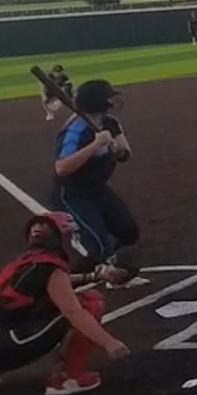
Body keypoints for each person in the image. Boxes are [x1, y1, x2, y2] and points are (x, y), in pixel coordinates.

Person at [0, 212, 130, 395]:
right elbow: (73, 311)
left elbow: (53, 284)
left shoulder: (25, 263)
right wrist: (109, 343)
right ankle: (67, 378)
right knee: (89, 302)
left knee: (33, 311)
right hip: (6, 347)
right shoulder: (49, 269)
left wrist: (93, 276)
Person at [50, 79, 145, 290]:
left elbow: (125, 154)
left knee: (128, 231)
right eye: (108, 97)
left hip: (96, 188)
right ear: (97, 101)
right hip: (72, 194)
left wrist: (116, 148)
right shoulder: (75, 130)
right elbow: (62, 168)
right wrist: (95, 145)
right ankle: (65, 284)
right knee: (98, 245)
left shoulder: (110, 123)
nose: (113, 101)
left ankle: (114, 271)